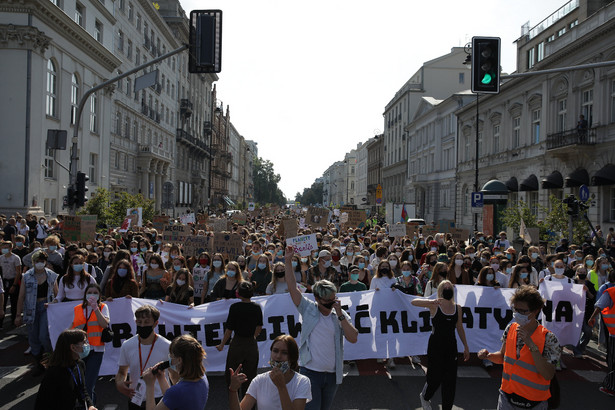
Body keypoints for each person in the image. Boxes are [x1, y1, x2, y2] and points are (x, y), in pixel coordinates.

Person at [284, 246, 358, 410]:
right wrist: (288, 261)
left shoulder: (339, 313)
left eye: (334, 299)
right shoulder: (308, 308)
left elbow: (353, 337)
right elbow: (292, 288)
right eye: (327, 302)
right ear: (317, 299)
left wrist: (340, 316)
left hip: (332, 375)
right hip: (310, 372)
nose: (331, 304)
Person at [478, 285, 559, 409]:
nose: (517, 314)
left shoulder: (549, 338)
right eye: (515, 309)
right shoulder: (510, 328)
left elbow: (548, 374)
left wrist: (531, 345)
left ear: (535, 311)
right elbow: (502, 357)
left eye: (522, 311)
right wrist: (489, 356)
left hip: (534, 404)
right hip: (506, 398)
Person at [412, 280, 470, 410]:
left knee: (450, 380)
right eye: (445, 286)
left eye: (450, 286)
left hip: (451, 346)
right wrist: (430, 302)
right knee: (434, 377)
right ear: (440, 290)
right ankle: (425, 396)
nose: (448, 287)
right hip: (436, 345)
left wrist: (466, 346)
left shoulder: (458, 308)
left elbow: (459, 327)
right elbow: (414, 302)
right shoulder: (435, 305)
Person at [229, 334, 312, 410]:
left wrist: (281, 387)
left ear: (292, 357)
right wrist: (233, 390)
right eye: (275, 351)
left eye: (284, 353)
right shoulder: (259, 380)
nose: (278, 356)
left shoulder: (302, 382)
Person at [116, 305, 171, 410]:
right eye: (139, 322)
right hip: (135, 398)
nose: (142, 325)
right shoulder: (127, 345)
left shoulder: (167, 346)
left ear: (155, 323)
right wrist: (119, 382)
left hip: (159, 399)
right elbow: (121, 371)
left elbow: (174, 374)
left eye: (146, 322)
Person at [15, 250, 58, 376]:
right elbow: (21, 296)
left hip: (46, 307)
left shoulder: (51, 275)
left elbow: (57, 294)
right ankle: (38, 363)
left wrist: (54, 305)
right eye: (37, 261)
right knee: (33, 337)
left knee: (44, 335)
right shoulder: (27, 276)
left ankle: (50, 358)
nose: (40, 264)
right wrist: (18, 315)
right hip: (30, 309)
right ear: (33, 262)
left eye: (42, 261)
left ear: (45, 262)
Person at [216, 281, 263, 395]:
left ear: (239, 294)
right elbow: (259, 326)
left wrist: (222, 344)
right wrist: (253, 337)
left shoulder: (235, 307)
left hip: (237, 343)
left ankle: (234, 399)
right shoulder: (257, 307)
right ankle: (249, 403)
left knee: (232, 373)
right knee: (250, 375)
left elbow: (229, 329)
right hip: (251, 343)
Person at [142, 334, 209, 410]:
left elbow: (173, 395)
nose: (170, 360)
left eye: (171, 356)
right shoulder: (202, 377)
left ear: (179, 360)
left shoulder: (177, 392)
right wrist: (161, 378)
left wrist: (149, 385)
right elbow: (171, 401)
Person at [34, 329, 96, 410]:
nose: (87, 345)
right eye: (84, 342)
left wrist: (90, 405)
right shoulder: (54, 372)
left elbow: (82, 389)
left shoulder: (80, 364)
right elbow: (43, 402)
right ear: (73, 347)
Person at [70, 283, 110, 403]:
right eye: (89, 292)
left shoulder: (103, 307)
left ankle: (88, 405)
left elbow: (104, 324)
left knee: (88, 384)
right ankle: (91, 403)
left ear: (99, 295)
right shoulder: (77, 308)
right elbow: (73, 327)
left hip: (96, 351)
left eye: (95, 293)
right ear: (85, 295)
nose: (92, 295)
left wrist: (95, 308)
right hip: (80, 351)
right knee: (80, 383)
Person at [588, 269, 615, 396]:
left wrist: (592, 317)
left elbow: (600, 306)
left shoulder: (611, 291)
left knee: (613, 361)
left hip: (614, 333)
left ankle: (611, 387)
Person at [1, 240, 22, 326]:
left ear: (11, 248)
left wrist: (14, 284)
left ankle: (14, 320)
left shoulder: (16, 258)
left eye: (6, 248)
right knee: (2, 302)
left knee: (14, 302)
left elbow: (18, 272)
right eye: (3, 248)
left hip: (13, 281)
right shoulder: (1, 258)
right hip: (3, 281)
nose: (4, 249)